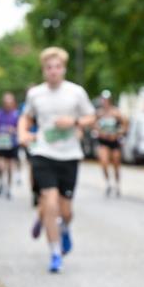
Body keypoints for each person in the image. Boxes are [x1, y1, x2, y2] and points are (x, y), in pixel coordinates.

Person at [17, 47, 96, 273]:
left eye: (57, 67)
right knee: (50, 202)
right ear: (44, 70)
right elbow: (26, 117)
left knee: (66, 211)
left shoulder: (76, 92)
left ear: (64, 69)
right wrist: (22, 133)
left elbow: (90, 116)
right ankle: (54, 252)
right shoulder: (35, 94)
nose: (53, 71)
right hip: (43, 152)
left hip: (69, 155)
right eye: (49, 67)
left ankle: (62, 227)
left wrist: (74, 122)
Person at [94, 90, 128, 197]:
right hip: (103, 141)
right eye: (103, 100)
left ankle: (117, 184)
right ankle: (108, 182)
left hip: (114, 141)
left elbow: (125, 125)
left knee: (116, 163)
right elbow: (94, 125)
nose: (105, 102)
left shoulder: (116, 112)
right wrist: (100, 132)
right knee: (104, 162)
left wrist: (119, 133)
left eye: (107, 100)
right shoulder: (99, 113)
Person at [0, 92, 21, 199]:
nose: (8, 104)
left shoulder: (16, 114)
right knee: (1, 166)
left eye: (10, 102)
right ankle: (0, 183)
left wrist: (14, 130)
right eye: (6, 102)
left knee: (10, 167)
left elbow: (21, 128)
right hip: (0, 144)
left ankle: (8, 188)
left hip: (12, 144)